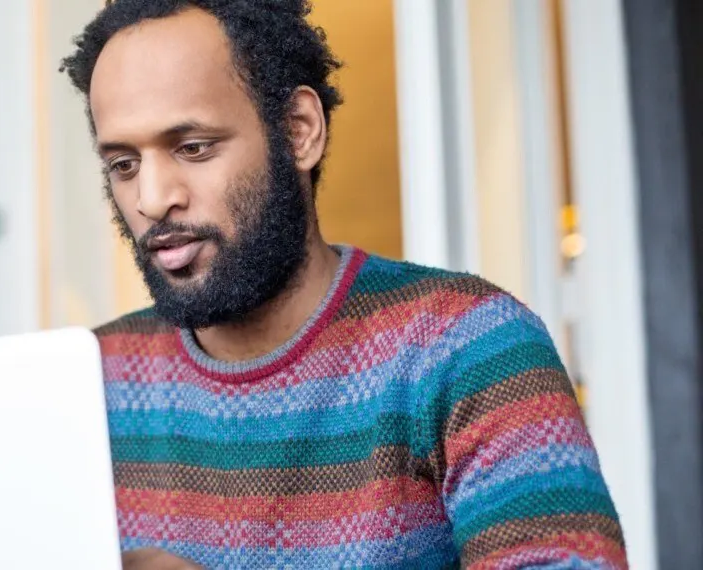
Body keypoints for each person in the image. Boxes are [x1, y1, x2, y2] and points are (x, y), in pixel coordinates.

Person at [59, 1, 627, 568]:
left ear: (298, 131)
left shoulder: (469, 346)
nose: (152, 198)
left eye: (193, 148)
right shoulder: (84, 383)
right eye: (124, 163)